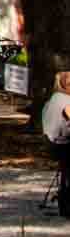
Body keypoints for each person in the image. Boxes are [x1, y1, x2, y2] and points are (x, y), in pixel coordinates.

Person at [42, 70, 70, 221]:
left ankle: (65, 200)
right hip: (63, 147)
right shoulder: (66, 101)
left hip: (52, 144)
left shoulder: (54, 98)